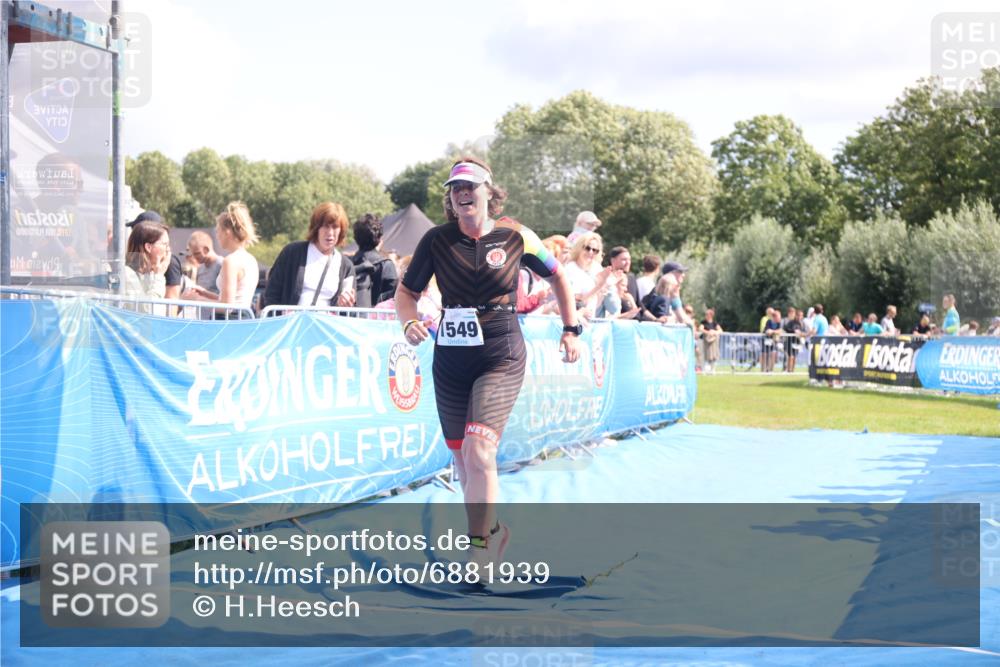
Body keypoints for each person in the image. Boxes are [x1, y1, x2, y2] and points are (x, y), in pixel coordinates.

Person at [395, 157, 582, 570]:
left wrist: (571, 329)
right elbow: (405, 294)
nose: (462, 194)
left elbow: (558, 278)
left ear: (488, 191)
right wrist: (408, 322)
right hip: (451, 358)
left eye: (470, 187)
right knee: (463, 460)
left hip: (501, 354)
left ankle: (479, 547)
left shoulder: (516, 236)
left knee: (481, 451)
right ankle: (492, 532)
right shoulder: (435, 240)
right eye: (455, 188)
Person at [261, 202, 357, 311]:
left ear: (341, 231)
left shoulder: (346, 266)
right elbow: (271, 292)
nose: (330, 232)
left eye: (335, 227)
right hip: (292, 325)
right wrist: (281, 317)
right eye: (325, 226)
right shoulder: (292, 252)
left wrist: (345, 304)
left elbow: (350, 312)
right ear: (316, 228)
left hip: (324, 326)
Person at [182, 202, 260, 317]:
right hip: (244, 320)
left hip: (227, 324)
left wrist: (196, 299)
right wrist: (205, 294)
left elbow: (226, 307)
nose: (217, 236)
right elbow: (236, 299)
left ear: (227, 232)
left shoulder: (231, 261)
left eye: (218, 231)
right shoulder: (251, 259)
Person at [351, 213, 399, 308]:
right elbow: (392, 299)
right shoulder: (386, 265)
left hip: (349, 320)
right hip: (378, 320)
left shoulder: (347, 264)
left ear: (356, 238)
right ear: (379, 237)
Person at [122, 221, 171, 306]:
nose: (168, 249)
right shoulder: (127, 274)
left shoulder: (150, 273)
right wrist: (159, 276)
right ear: (148, 247)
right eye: (164, 244)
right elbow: (148, 310)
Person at [564, 232, 613, 317]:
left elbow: (596, 303)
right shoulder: (570, 268)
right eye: (587, 248)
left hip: (590, 319)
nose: (591, 252)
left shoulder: (597, 268)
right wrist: (598, 287)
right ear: (579, 248)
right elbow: (577, 301)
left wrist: (603, 290)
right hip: (572, 319)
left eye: (595, 250)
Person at [699, 308, 723, 374]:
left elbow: (720, 330)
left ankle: (713, 370)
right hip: (705, 342)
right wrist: (708, 332)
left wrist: (714, 332)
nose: (706, 316)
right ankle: (704, 370)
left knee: (714, 355)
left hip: (713, 343)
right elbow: (701, 329)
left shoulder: (715, 323)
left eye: (707, 314)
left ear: (710, 315)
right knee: (705, 355)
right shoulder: (703, 322)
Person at [781, 307, 804, 372]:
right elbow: (786, 329)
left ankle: (792, 370)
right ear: (796, 315)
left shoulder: (801, 323)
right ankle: (789, 370)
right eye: (798, 315)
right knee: (790, 356)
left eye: (801, 315)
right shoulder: (791, 322)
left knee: (794, 357)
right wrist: (794, 331)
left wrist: (801, 333)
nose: (800, 317)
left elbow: (804, 331)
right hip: (790, 341)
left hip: (797, 342)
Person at [761, 307, 782, 373]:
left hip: (774, 341)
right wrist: (773, 332)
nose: (779, 318)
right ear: (774, 317)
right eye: (778, 317)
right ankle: (763, 370)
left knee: (773, 354)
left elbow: (780, 331)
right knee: (764, 355)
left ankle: (771, 370)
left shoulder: (779, 323)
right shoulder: (769, 321)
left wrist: (773, 331)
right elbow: (767, 331)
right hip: (766, 340)